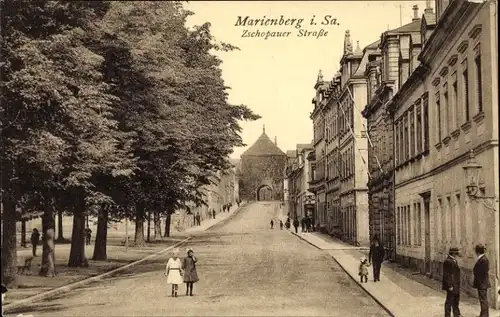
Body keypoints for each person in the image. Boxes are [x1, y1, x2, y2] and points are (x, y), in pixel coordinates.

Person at [442, 247, 462, 317]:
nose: (457, 255)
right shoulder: (448, 261)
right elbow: (447, 275)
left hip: (455, 285)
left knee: (456, 301)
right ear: (453, 253)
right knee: (449, 301)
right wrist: (450, 285)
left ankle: (456, 314)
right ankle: (447, 315)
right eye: (456, 253)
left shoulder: (453, 260)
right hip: (452, 286)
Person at [473, 244, 490, 317]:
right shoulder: (482, 259)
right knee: (482, 299)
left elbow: (482, 272)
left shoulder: (483, 259)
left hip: (482, 283)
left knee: (483, 300)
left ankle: (484, 315)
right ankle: (482, 314)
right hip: (482, 283)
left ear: (477, 252)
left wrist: (479, 282)